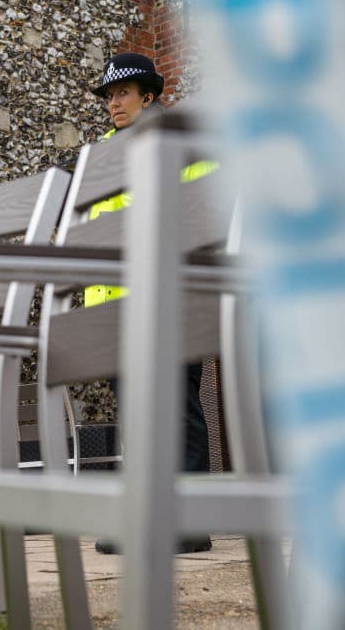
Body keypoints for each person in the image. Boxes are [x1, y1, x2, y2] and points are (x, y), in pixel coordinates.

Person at [86, 52, 214, 555]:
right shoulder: (100, 152)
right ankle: (145, 514)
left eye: (124, 92)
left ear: (150, 96)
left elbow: (205, 209)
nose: (114, 102)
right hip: (113, 305)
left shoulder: (180, 140)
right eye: (110, 95)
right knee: (136, 411)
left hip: (173, 294)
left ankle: (190, 520)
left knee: (177, 406)